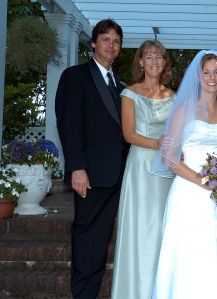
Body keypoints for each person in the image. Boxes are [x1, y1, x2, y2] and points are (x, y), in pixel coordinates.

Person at [150, 50, 217, 299]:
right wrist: (202, 181)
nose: (212, 77)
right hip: (189, 191)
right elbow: (168, 157)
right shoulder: (182, 110)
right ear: (197, 76)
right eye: (206, 72)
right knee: (190, 251)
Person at [55, 19, 128, 299]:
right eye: (106, 39)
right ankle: (82, 294)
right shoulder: (75, 76)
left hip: (117, 174)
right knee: (87, 236)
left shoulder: (120, 82)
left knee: (102, 238)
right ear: (94, 42)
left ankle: (92, 291)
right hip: (90, 174)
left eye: (116, 41)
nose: (111, 45)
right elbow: (68, 124)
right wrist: (77, 168)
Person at [110, 40, 175, 299]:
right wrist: (158, 143)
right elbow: (128, 134)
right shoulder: (129, 94)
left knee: (163, 228)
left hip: (167, 171)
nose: (154, 62)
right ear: (140, 61)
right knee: (140, 228)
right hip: (140, 168)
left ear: (164, 62)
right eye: (149, 57)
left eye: (159, 57)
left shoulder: (173, 96)